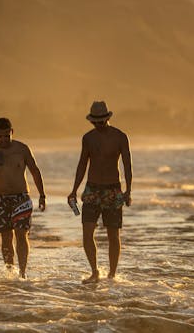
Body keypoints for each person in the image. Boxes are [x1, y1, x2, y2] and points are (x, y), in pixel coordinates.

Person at [68, 101, 132, 284]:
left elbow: (127, 165)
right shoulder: (88, 138)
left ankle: (112, 274)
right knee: (87, 232)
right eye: (95, 122)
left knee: (113, 234)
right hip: (92, 189)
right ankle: (95, 272)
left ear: (107, 119)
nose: (98, 125)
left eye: (101, 122)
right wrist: (73, 190)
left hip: (113, 189)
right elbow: (82, 164)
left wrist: (129, 190)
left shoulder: (120, 137)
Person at [0, 118, 46, 279]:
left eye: (6, 136)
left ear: (12, 132)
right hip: (1, 199)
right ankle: (10, 271)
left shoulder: (22, 149)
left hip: (21, 198)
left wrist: (42, 195)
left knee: (22, 234)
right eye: (0, 136)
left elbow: (35, 171)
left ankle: (22, 273)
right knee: (6, 238)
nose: (3, 140)